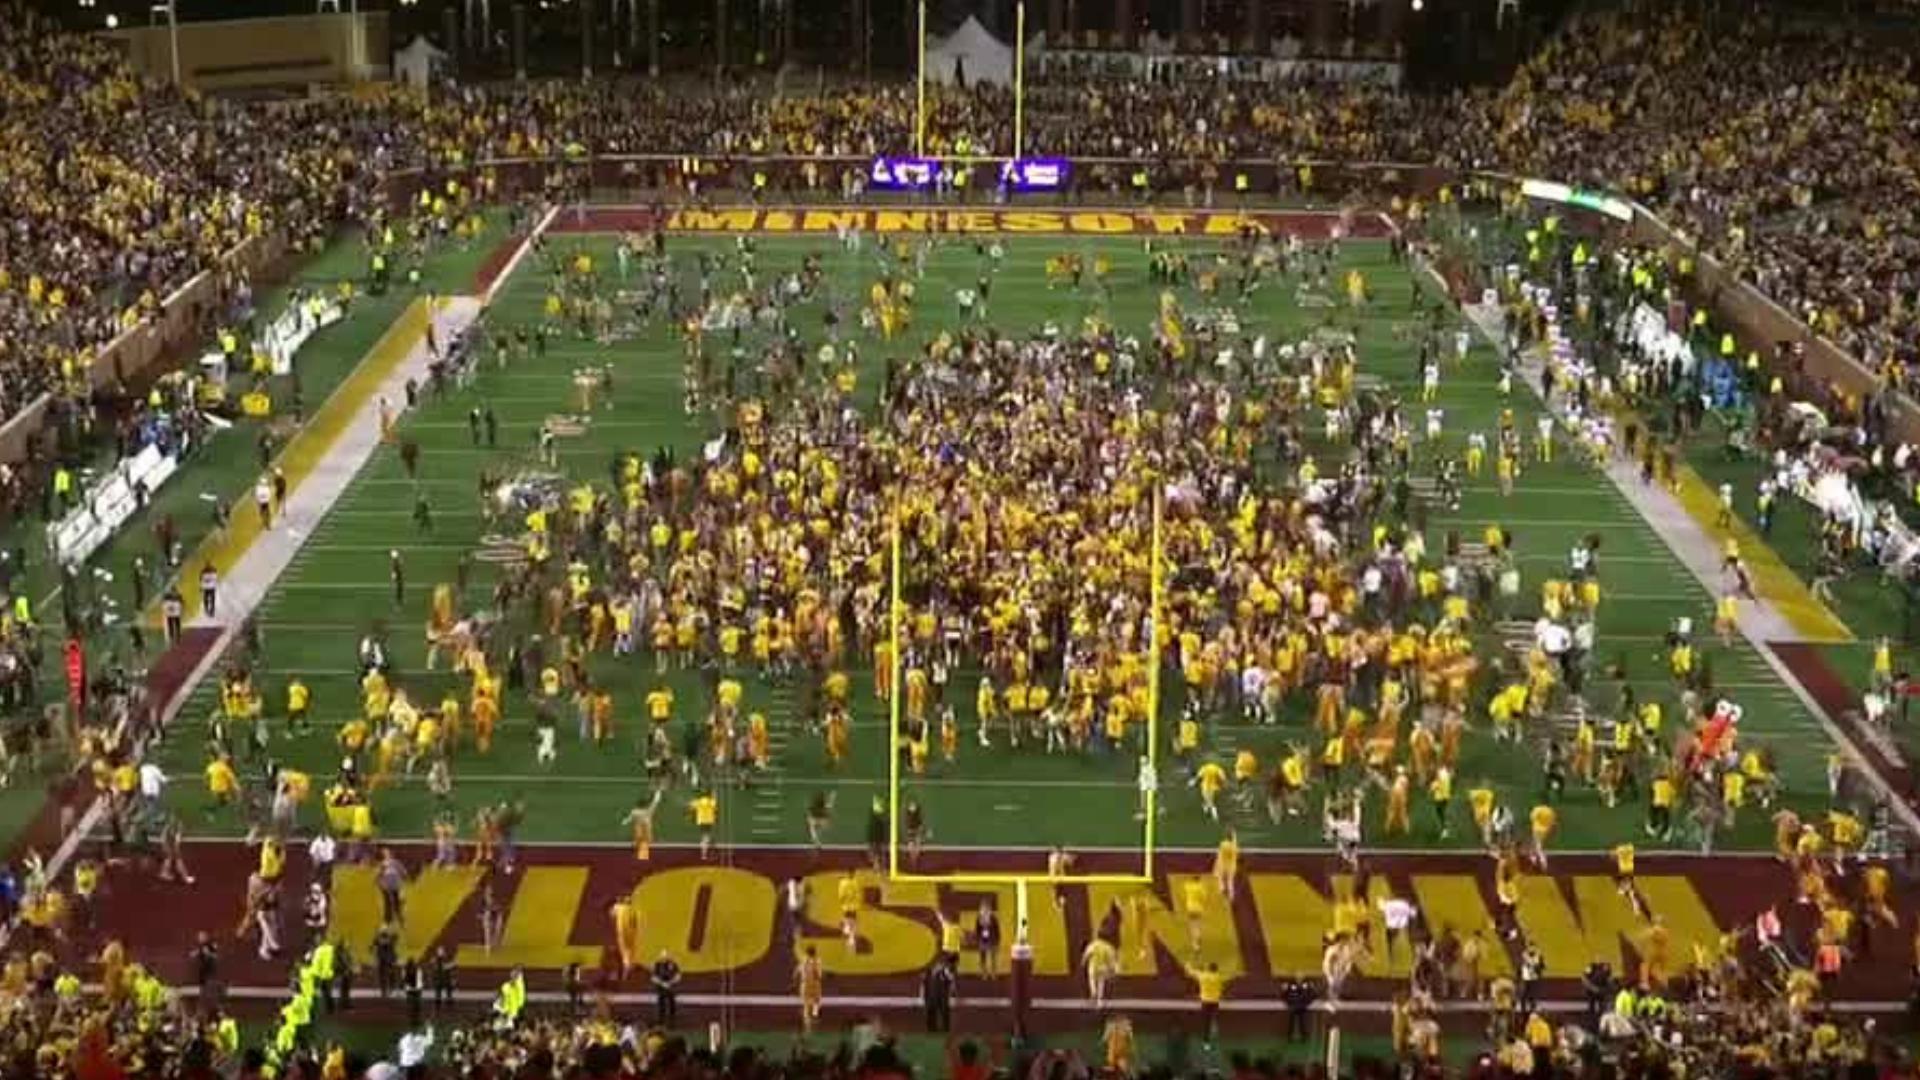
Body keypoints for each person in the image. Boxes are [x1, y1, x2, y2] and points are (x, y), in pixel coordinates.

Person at [651, 950, 681, 1027]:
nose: (664, 958)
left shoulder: (673, 964)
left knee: (672, 1005)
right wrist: (662, 983)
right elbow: (653, 978)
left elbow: (678, 976)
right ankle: (661, 1022)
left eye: (666, 956)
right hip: (661, 989)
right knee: (661, 1005)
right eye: (662, 957)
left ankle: (672, 1022)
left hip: (671, 988)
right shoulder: (657, 965)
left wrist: (670, 983)